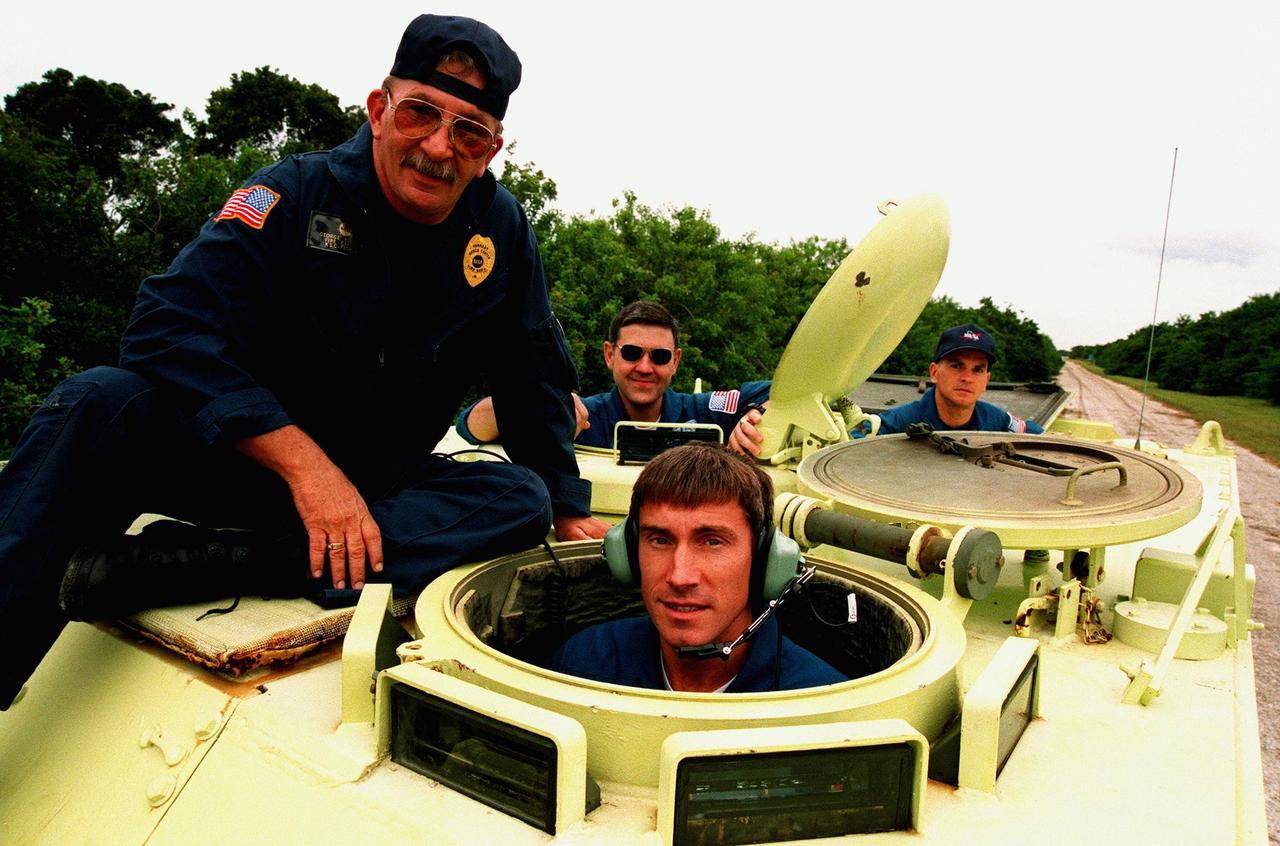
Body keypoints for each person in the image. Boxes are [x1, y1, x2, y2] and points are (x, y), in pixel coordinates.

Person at [0, 14, 608, 711]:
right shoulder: (293, 193)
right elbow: (166, 327)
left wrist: (567, 508)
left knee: (519, 498)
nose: (439, 149)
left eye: (468, 131)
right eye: (420, 115)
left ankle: (192, 568)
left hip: (377, 496)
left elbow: (528, 372)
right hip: (247, 468)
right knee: (99, 400)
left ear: (492, 150)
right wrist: (303, 465)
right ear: (379, 110)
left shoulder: (501, 233)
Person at [549, 443, 845, 693]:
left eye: (712, 542)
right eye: (660, 540)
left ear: (766, 558)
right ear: (628, 552)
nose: (680, 577)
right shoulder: (582, 663)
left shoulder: (819, 698)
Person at [456, 300, 771, 452]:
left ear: (676, 362)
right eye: (632, 353)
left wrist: (755, 417)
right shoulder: (583, 414)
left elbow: (782, 393)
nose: (645, 368)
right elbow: (471, 427)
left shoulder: (705, 413)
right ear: (610, 355)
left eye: (659, 357)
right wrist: (542, 402)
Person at [873, 323, 1045, 435]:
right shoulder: (900, 422)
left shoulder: (994, 419)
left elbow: (1034, 433)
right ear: (934, 372)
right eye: (956, 366)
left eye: (977, 370)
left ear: (986, 380)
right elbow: (855, 440)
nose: (967, 378)